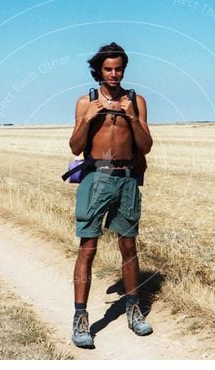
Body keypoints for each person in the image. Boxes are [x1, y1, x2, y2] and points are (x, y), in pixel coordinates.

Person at [68, 42, 153, 348]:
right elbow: (76, 147)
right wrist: (89, 117)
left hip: (127, 178)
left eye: (119, 68)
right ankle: (80, 318)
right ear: (98, 71)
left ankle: (134, 310)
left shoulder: (136, 101)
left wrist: (131, 116)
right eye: (108, 69)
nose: (114, 74)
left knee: (128, 245)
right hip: (96, 179)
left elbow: (145, 146)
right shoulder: (85, 101)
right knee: (87, 247)